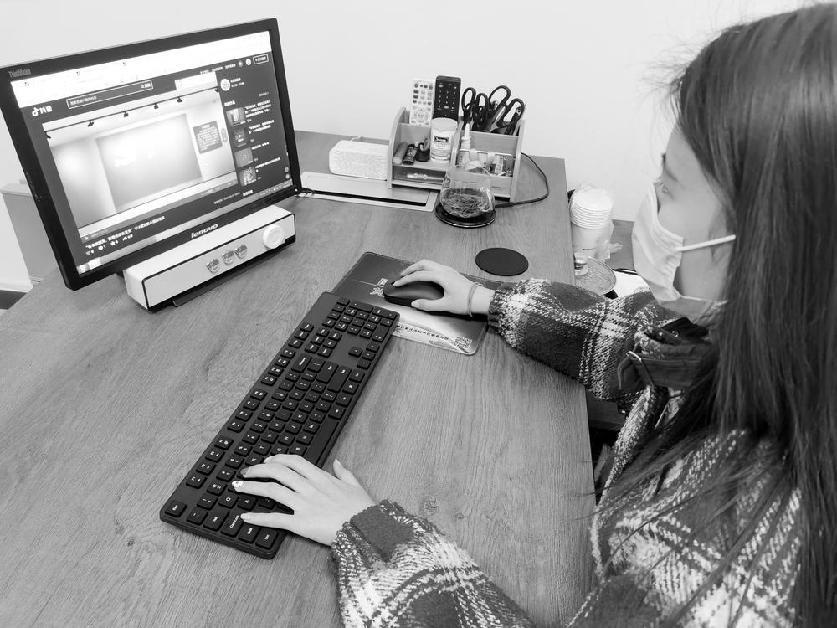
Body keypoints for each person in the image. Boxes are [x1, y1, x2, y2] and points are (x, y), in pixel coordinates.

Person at [232, 5, 836, 625]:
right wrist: (488, 300)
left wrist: (369, 534)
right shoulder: (766, 347)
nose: (651, 199)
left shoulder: (733, 565)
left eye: (671, 184)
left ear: (779, 245)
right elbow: (636, 339)